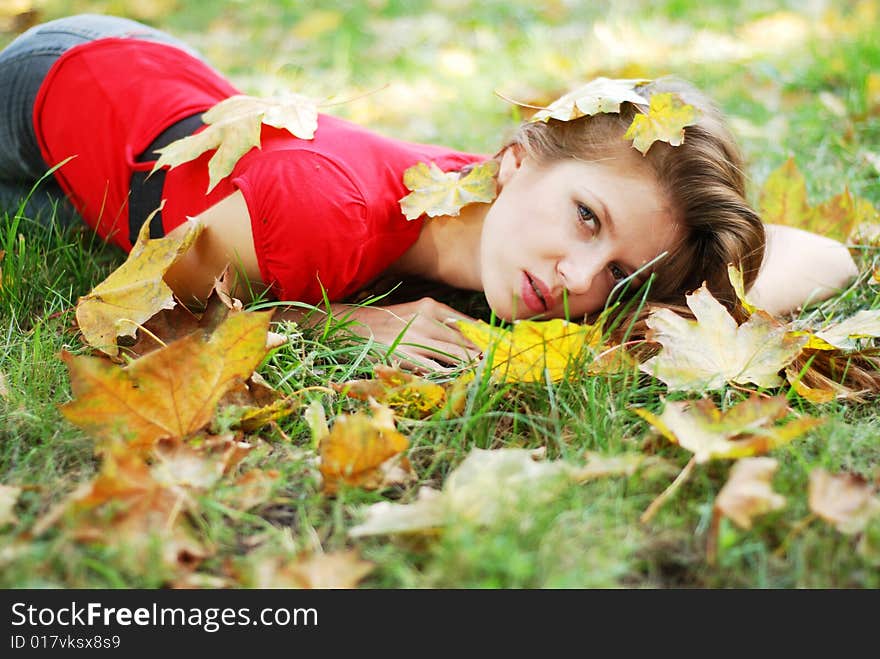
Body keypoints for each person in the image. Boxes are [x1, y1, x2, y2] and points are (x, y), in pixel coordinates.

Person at [0, 14, 860, 371]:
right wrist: (337, 321)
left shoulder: (502, 220)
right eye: (587, 218)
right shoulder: (317, 214)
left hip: (146, 142)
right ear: (516, 160)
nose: (581, 278)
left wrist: (660, 308)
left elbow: (826, 258)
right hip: (58, 89)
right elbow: (134, 311)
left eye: (622, 268)